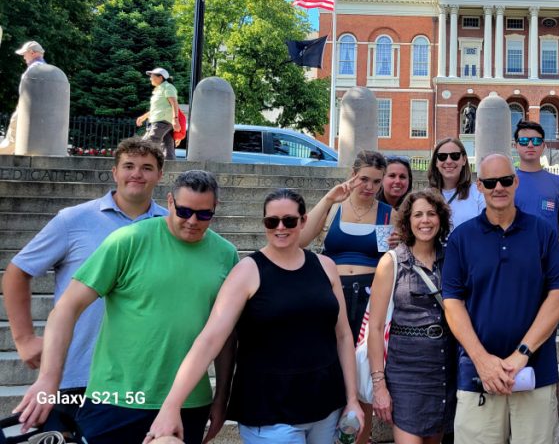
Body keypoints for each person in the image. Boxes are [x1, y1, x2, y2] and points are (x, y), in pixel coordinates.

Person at [14, 170, 239, 444]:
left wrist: (222, 397)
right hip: (117, 396)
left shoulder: (225, 254)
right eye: (184, 211)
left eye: (204, 215)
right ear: (169, 202)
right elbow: (66, 308)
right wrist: (49, 379)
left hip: (188, 402)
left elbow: (225, 335)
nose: (192, 221)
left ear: (215, 209)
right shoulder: (128, 239)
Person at [146, 188, 363, 443]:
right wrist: (171, 405)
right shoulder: (246, 272)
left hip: (325, 404)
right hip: (269, 409)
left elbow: (343, 336)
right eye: (272, 221)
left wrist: (351, 399)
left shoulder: (325, 267)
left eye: (289, 220)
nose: (280, 227)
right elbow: (209, 340)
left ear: (303, 221)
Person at [2, 137, 167, 428]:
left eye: (147, 167)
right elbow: (18, 271)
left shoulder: (171, 226)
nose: (137, 174)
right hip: (77, 374)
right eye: (128, 166)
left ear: (160, 175)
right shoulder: (73, 220)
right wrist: (24, 339)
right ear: (114, 172)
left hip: (143, 380)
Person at [442, 154, 559, 444]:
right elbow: (452, 303)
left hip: (535, 370)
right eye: (490, 182)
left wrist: (521, 354)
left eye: (506, 180)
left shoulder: (542, 232)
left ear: (516, 182)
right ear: (479, 186)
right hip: (477, 375)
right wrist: (482, 361)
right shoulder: (462, 237)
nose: (498, 187)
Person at [299, 149, 390, 444]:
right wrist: (328, 199)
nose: (369, 186)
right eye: (364, 178)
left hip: (368, 298)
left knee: (362, 372)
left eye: (377, 181)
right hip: (331, 295)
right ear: (352, 175)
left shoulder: (389, 213)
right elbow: (300, 240)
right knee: (330, 365)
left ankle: (359, 439)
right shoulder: (335, 206)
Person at [367, 189, 455, 444]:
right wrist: (379, 385)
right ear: (407, 221)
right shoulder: (391, 261)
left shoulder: (451, 258)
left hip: (442, 368)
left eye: (431, 213)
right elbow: (374, 328)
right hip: (405, 372)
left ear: (441, 219)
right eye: (418, 215)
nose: (425, 221)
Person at [512, 120, 559, 254]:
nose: (530, 145)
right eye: (524, 141)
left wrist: (551, 255)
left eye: (536, 141)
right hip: (513, 259)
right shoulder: (505, 183)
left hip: (548, 264)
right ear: (515, 145)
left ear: (543, 146)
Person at [0, 41, 48, 155]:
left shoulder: (34, 69)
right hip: (40, 112)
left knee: (12, 140)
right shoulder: (46, 68)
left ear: (32, 53)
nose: (24, 58)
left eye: (25, 54)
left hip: (26, 109)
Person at [427, 137, 484, 229]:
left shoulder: (479, 194)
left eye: (455, 156)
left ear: (464, 160)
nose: (449, 161)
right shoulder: (425, 196)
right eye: (442, 156)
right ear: (436, 162)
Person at [136, 67, 181, 160]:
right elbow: (157, 108)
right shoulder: (159, 89)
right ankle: (170, 169)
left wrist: (175, 119)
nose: (150, 78)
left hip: (162, 121)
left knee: (147, 143)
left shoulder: (168, 87)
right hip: (160, 120)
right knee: (168, 148)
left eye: (152, 76)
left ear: (160, 77)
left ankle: (141, 163)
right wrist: (144, 117)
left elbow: (174, 103)